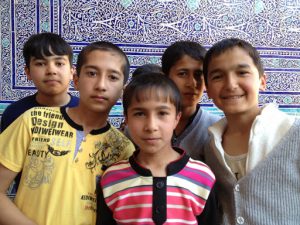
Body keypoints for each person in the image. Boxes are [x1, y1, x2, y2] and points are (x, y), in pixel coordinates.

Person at [0, 41, 135, 225]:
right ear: (77, 79)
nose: (101, 85)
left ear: (122, 90)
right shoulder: (32, 120)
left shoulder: (123, 149)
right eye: (92, 73)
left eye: (112, 77)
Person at [97, 73, 217, 225]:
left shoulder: (203, 178)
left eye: (162, 113)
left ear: (177, 118)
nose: (151, 126)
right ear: (126, 119)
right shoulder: (111, 179)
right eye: (140, 114)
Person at [203, 38, 300, 225]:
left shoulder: (294, 134)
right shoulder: (211, 147)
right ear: (207, 89)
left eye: (242, 72)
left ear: (262, 81)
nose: (231, 84)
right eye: (217, 76)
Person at [0, 32, 79, 132]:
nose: (51, 70)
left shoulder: (88, 113)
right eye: (40, 64)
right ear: (28, 72)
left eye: (59, 63)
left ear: (72, 72)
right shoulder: (14, 114)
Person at [161, 41, 220, 161]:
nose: (192, 83)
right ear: (165, 78)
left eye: (198, 75)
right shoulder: (144, 125)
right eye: (182, 74)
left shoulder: (217, 129)